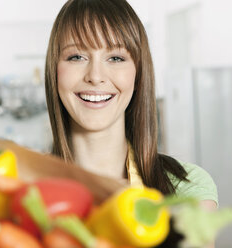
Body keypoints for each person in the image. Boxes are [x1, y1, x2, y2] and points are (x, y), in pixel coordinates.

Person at [45, 0, 218, 216]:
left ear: (137, 74)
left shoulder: (185, 189)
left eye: (115, 58)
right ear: (54, 71)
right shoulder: (23, 188)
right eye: (77, 57)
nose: (96, 76)